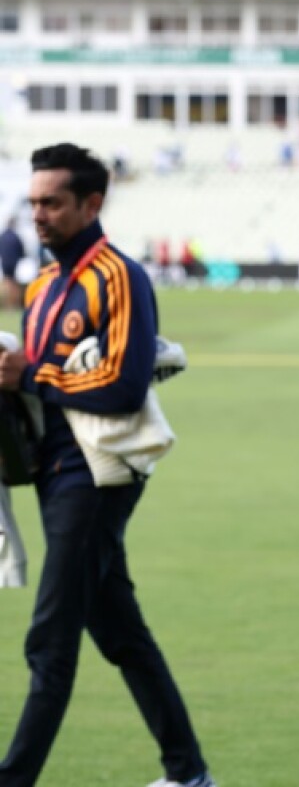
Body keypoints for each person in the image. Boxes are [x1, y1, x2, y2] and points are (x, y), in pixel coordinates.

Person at [0, 144, 215, 787]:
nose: (38, 214)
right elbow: (40, 386)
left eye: (52, 202)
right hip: (53, 471)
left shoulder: (120, 277)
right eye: (34, 201)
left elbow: (122, 387)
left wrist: (30, 374)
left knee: (49, 643)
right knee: (120, 633)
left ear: (92, 204)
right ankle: (189, 773)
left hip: (97, 475)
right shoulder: (40, 287)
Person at [0, 218, 26, 310]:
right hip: (14, 262)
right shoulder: (15, 236)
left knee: (7, 282)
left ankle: (6, 304)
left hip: (5, 262)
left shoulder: (2, 236)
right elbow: (21, 250)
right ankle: (14, 304)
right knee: (13, 283)